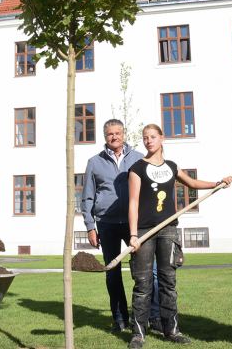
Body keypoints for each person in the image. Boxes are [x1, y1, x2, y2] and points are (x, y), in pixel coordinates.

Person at [126, 123, 232, 348]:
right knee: (143, 283)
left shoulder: (172, 167)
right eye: (145, 138)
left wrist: (217, 184)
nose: (148, 141)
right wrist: (134, 234)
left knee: (168, 281)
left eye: (152, 137)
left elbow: (193, 183)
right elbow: (133, 202)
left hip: (168, 230)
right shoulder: (136, 168)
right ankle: (138, 333)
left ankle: (172, 330)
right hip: (145, 231)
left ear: (162, 139)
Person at [81, 119, 160, 334]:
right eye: (109, 134)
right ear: (104, 136)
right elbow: (87, 197)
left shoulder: (138, 158)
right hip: (106, 224)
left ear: (123, 134)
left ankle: (153, 317)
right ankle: (120, 319)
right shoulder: (94, 162)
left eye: (117, 133)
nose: (114, 137)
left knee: (146, 272)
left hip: (136, 224)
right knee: (112, 273)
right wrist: (90, 227)